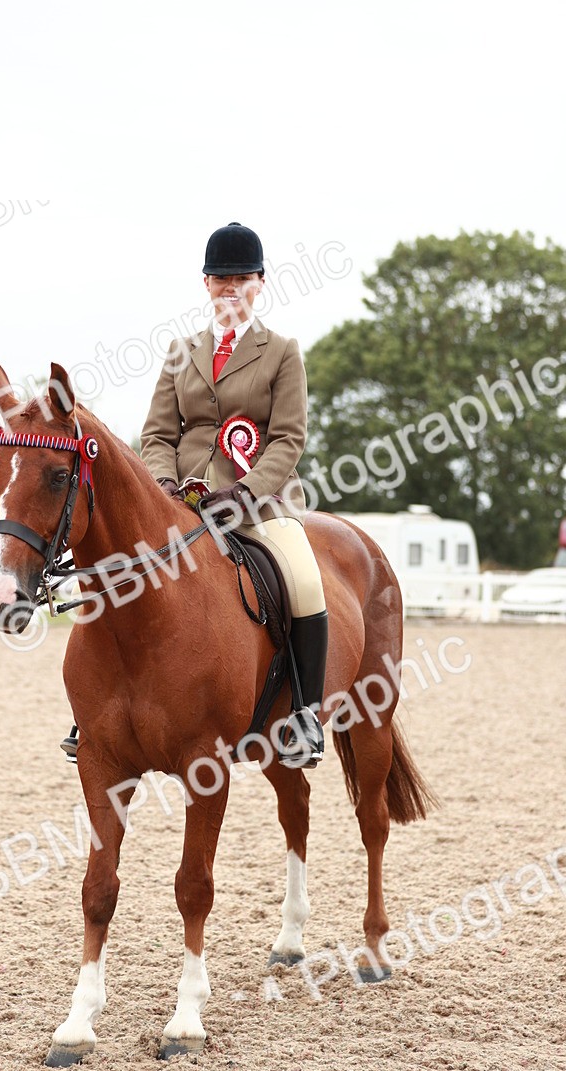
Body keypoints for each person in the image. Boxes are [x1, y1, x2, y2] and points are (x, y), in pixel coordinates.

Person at [139, 221, 327, 765]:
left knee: (305, 581)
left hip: (258, 504)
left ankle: (304, 716)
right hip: (181, 502)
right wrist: (163, 482)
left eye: (242, 278)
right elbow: (157, 434)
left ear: (260, 283)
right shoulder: (181, 351)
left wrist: (245, 491)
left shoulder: (282, 351)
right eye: (221, 278)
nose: (231, 288)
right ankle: (97, 711)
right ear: (205, 283)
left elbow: (289, 437)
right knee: (123, 570)